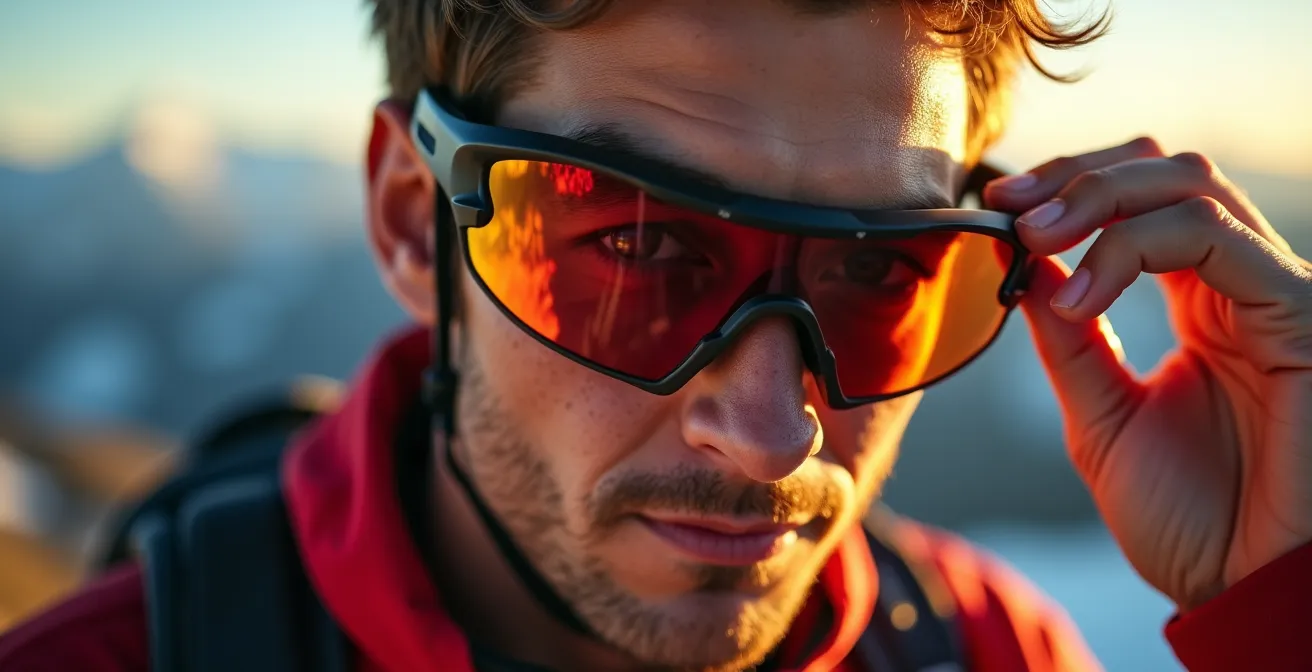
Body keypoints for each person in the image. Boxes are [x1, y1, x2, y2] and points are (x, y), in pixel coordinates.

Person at [3, 0, 1311, 670]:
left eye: (885, 269)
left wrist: (1282, 610)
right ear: (416, 222)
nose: (768, 432)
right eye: (633, 247)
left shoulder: (987, 651)